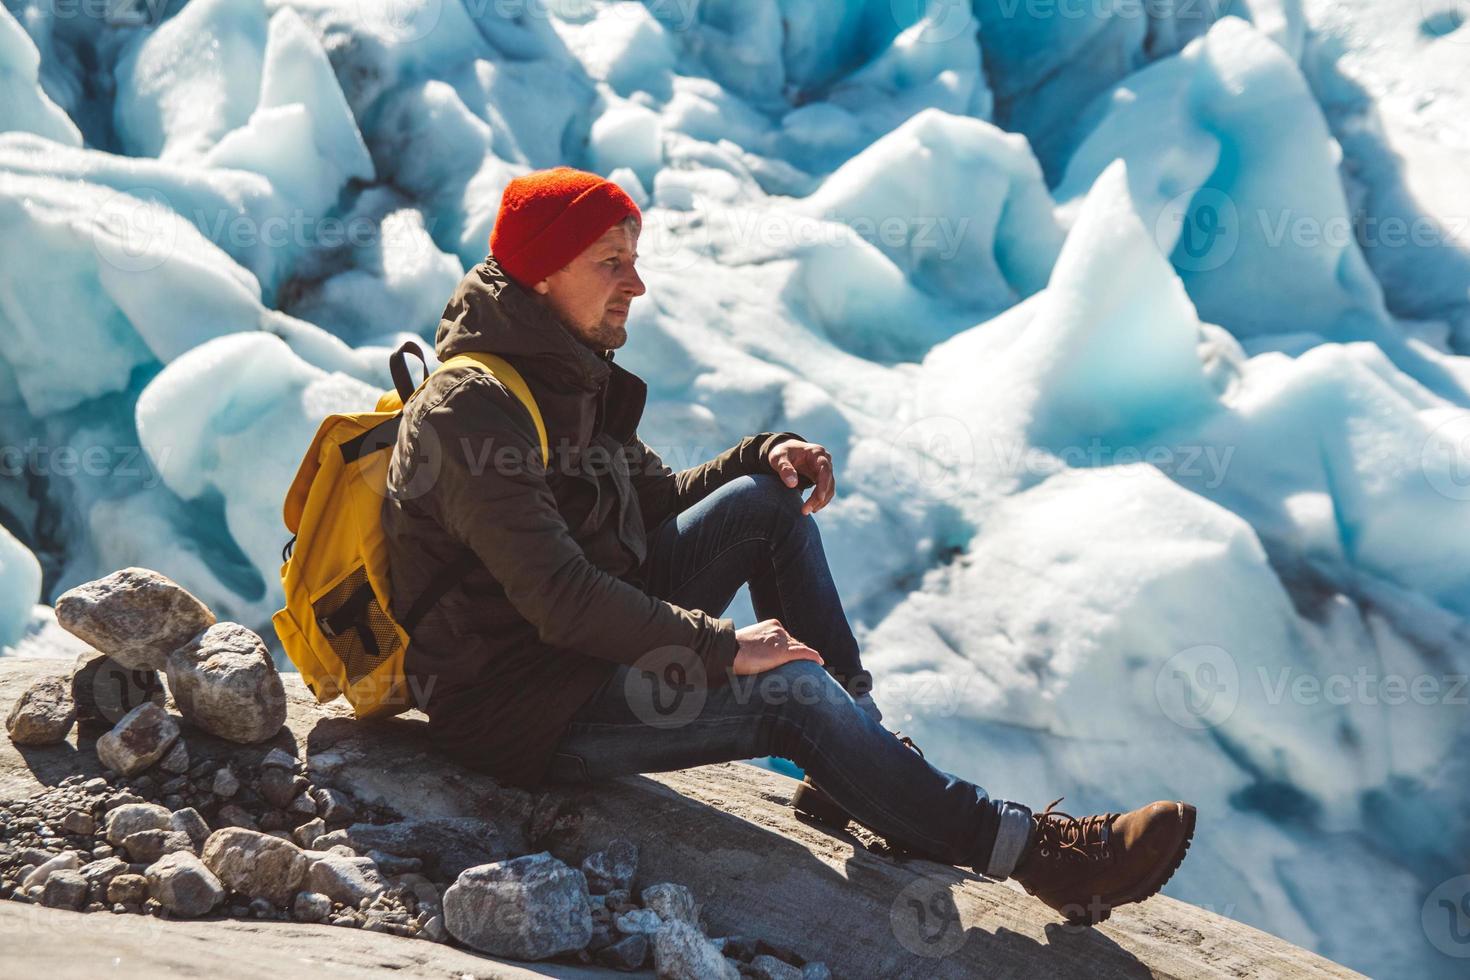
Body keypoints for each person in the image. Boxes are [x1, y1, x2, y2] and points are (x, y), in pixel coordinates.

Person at [383, 167, 1196, 925]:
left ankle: (859, 764)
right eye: (611, 262)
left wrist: (758, 458)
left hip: (580, 648)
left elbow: (657, 502)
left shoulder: (562, 368)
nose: (636, 282)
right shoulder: (471, 411)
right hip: (519, 705)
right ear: (544, 272)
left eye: (635, 259)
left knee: (765, 507)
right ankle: (1041, 856)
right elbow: (559, 598)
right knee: (787, 691)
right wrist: (725, 647)